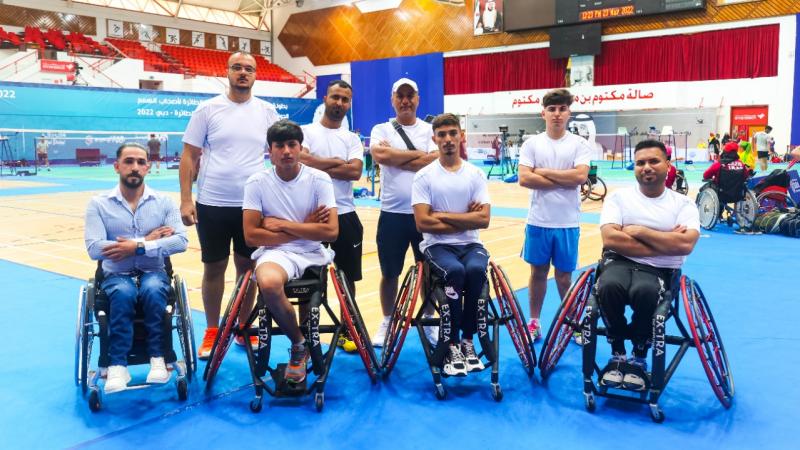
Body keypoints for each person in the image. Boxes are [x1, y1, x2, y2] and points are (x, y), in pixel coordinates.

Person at [179, 51, 280, 359]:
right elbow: (188, 156)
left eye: (248, 68)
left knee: (247, 269)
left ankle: (242, 326)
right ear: (227, 72)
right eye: (237, 67)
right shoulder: (207, 109)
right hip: (212, 203)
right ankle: (211, 331)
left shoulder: (266, 111)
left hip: (251, 205)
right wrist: (185, 199)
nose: (242, 73)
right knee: (214, 268)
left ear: (255, 75)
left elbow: (279, 154)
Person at [84, 143, 188, 393]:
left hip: (154, 272)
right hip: (116, 275)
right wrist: (150, 239)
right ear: (116, 166)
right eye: (129, 161)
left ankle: (158, 358)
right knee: (124, 292)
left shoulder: (164, 202)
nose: (135, 167)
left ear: (148, 168)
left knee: (153, 289)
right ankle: (117, 365)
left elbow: (181, 241)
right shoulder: (99, 204)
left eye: (141, 162)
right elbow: (95, 248)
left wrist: (136, 247)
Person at [597, 139, 700, 391]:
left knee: (646, 292)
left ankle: (639, 355)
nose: (647, 167)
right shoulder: (619, 198)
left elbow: (685, 245)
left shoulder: (683, 204)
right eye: (640, 162)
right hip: (619, 262)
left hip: (657, 271)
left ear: (667, 165)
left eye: (654, 161)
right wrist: (666, 241)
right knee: (608, 286)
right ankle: (618, 353)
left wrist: (639, 231)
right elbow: (610, 238)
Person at [242, 120, 338, 384]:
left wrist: (283, 224)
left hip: (312, 251)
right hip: (275, 252)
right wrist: (307, 226)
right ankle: (299, 344)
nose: (286, 151)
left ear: (300, 148)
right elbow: (251, 236)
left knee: (310, 296)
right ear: (270, 151)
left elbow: (330, 232)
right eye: (279, 146)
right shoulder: (257, 182)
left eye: (292, 145)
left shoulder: (319, 179)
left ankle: (304, 338)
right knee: (269, 284)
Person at [412, 113, 491, 376]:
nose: (447, 139)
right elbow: (423, 223)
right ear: (434, 138)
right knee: (455, 272)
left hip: (470, 245)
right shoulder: (424, 177)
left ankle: (467, 342)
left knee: (476, 271)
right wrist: (466, 219)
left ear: (461, 135)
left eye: (452, 133)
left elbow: (484, 219)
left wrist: (442, 215)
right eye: (442, 135)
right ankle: (452, 343)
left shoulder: (476, 174)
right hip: (438, 247)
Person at [517, 88, 591, 340]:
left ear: (569, 112)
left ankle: (571, 323)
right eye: (552, 109)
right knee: (537, 274)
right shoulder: (532, 144)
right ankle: (534, 322)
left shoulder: (579, 144)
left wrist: (543, 172)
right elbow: (525, 178)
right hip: (538, 222)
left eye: (562, 109)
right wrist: (564, 178)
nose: (557, 114)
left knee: (563, 277)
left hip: (568, 223)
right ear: (543, 113)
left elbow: (580, 177)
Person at [369, 78, 439, 346]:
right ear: (393, 99)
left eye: (410, 96)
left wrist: (396, 155)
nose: (406, 100)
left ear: (418, 99)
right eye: (401, 96)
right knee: (389, 273)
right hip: (392, 214)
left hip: (425, 214)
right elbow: (380, 156)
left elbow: (435, 162)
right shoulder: (380, 128)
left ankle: (430, 321)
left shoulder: (430, 129)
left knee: (430, 272)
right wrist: (419, 157)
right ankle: (388, 321)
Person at [300, 80, 364, 352]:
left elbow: (354, 172)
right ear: (325, 98)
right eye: (335, 97)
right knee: (304, 278)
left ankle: (349, 329)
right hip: (310, 215)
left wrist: (316, 163)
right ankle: (305, 333)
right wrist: (338, 163)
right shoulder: (305, 132)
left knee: (347, 278)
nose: (339, 103)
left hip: (346, 214)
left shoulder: (352, 138)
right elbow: (301, 162)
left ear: (349, 104)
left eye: (345, 100)